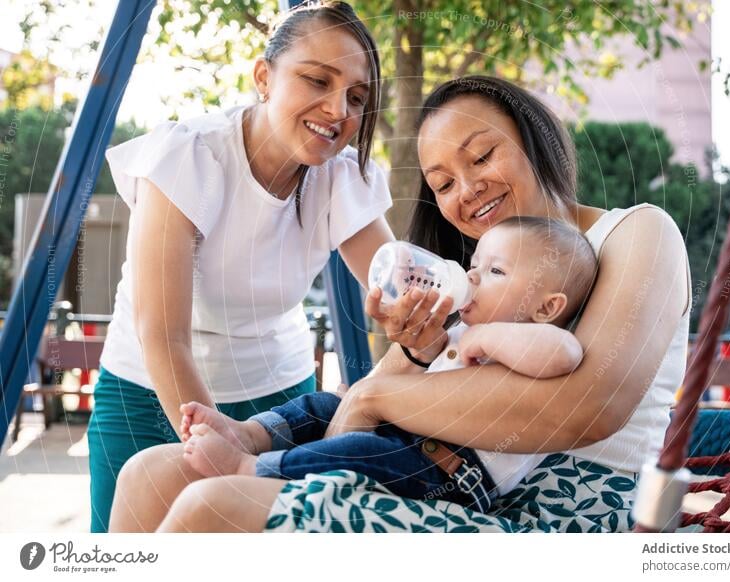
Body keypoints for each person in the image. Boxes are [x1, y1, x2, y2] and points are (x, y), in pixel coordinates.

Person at [109, 75, 691, 534]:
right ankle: (254, 443)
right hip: (440, 476)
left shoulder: (635, 233)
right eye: (441, 184)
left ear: (534, 139)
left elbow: (588, 404)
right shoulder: (481, 280)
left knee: (216, 506)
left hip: (562, 509)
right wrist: (412, 352)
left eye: (482, 157)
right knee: (152, 473)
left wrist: (377, 393)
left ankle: (255, 462)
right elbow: (375, 392)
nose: (465, 190)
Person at [87, 1, 393, 533]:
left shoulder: (341, 178)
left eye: (356, 97)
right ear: (263, 77)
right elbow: (163, 335)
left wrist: (431, 313)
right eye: (316, 80)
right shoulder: (190, 155)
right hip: (149, 390)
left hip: (276, 394)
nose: (338, 108)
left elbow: (401, 287)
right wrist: (216, 445)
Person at [170, 217, 597, 513]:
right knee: (323, 405)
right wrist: (424, 348)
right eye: (473, 266)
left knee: (360, 451)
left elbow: (566, 355)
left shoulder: (536, 337)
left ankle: (250, 470)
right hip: (407, 435)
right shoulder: (466, 329)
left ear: (546, 307)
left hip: (449, 473)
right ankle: (249, 434)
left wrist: (487, 337)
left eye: (496, 271)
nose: (471, 279)